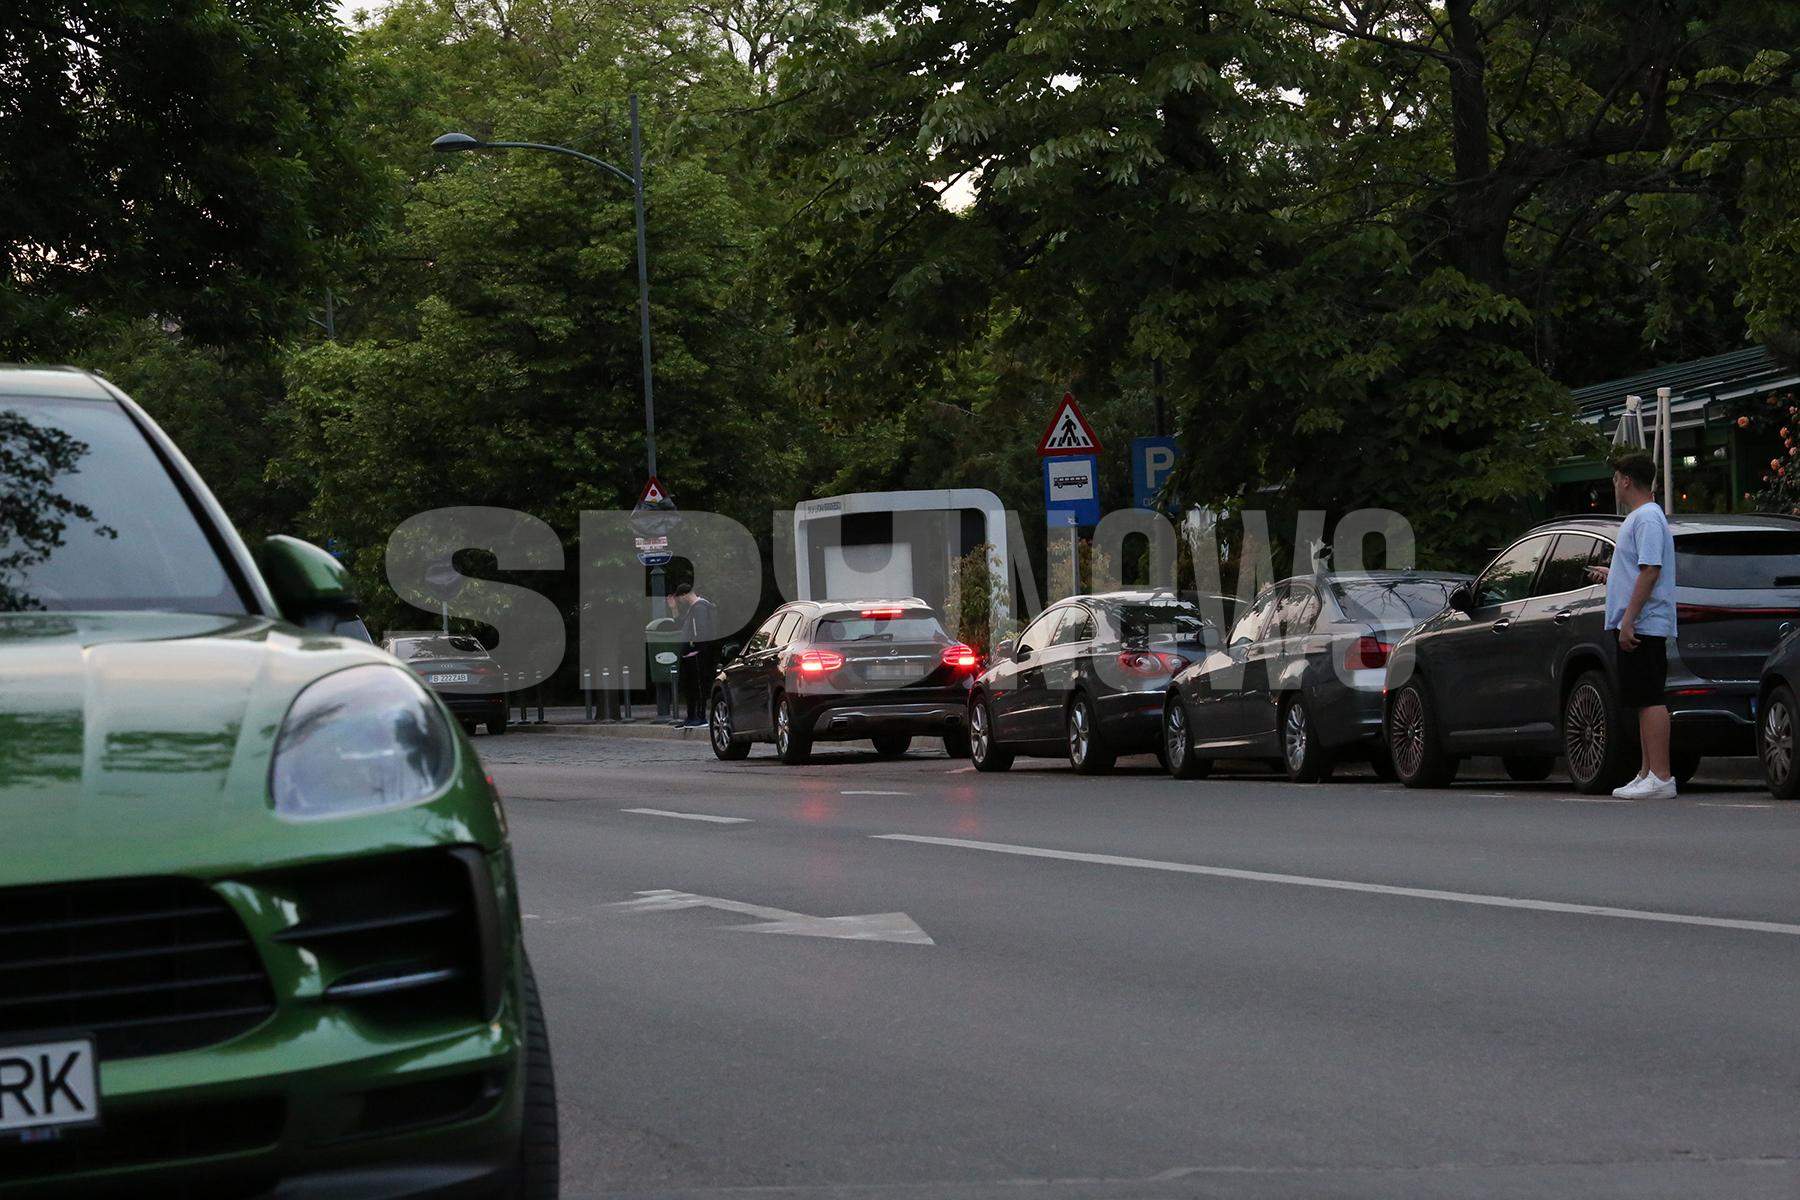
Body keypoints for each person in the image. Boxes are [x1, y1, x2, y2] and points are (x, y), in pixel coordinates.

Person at [1586, 450, 1678, 798]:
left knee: (1651, 696)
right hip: (1640, 622)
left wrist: (1628, 620)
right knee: (1641, 698)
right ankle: (1646, 772)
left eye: (1615, 478)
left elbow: (1651, 569)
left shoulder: (1647, 518)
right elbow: (1641, 567)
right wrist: (1614, 575)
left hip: (1645, 624)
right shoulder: (1641, 518)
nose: (1614, 485)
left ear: (1626, 479)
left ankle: (1662, 775)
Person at [674, 582, 718, 727]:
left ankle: (700, 717)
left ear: (684, 595)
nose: (680, 601)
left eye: (679, 598)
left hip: (697, 654)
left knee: (698, 686)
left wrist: (695, 647)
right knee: (690, 686)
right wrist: (673, 609)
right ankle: (691, 717)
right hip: (692, 653)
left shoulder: (700, 607)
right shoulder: (694, 609)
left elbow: (702, 631)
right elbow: (681, 624)